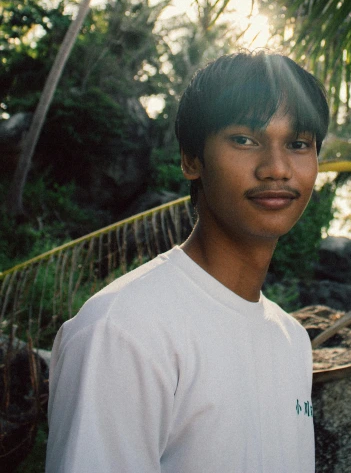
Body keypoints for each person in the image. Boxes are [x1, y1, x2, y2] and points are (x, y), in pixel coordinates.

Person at [45, 52, 330, 473]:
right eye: (244, 140)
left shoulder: (291, 341)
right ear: (191, 159)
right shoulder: (123, 332)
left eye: (298, 144)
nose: (277, 169)